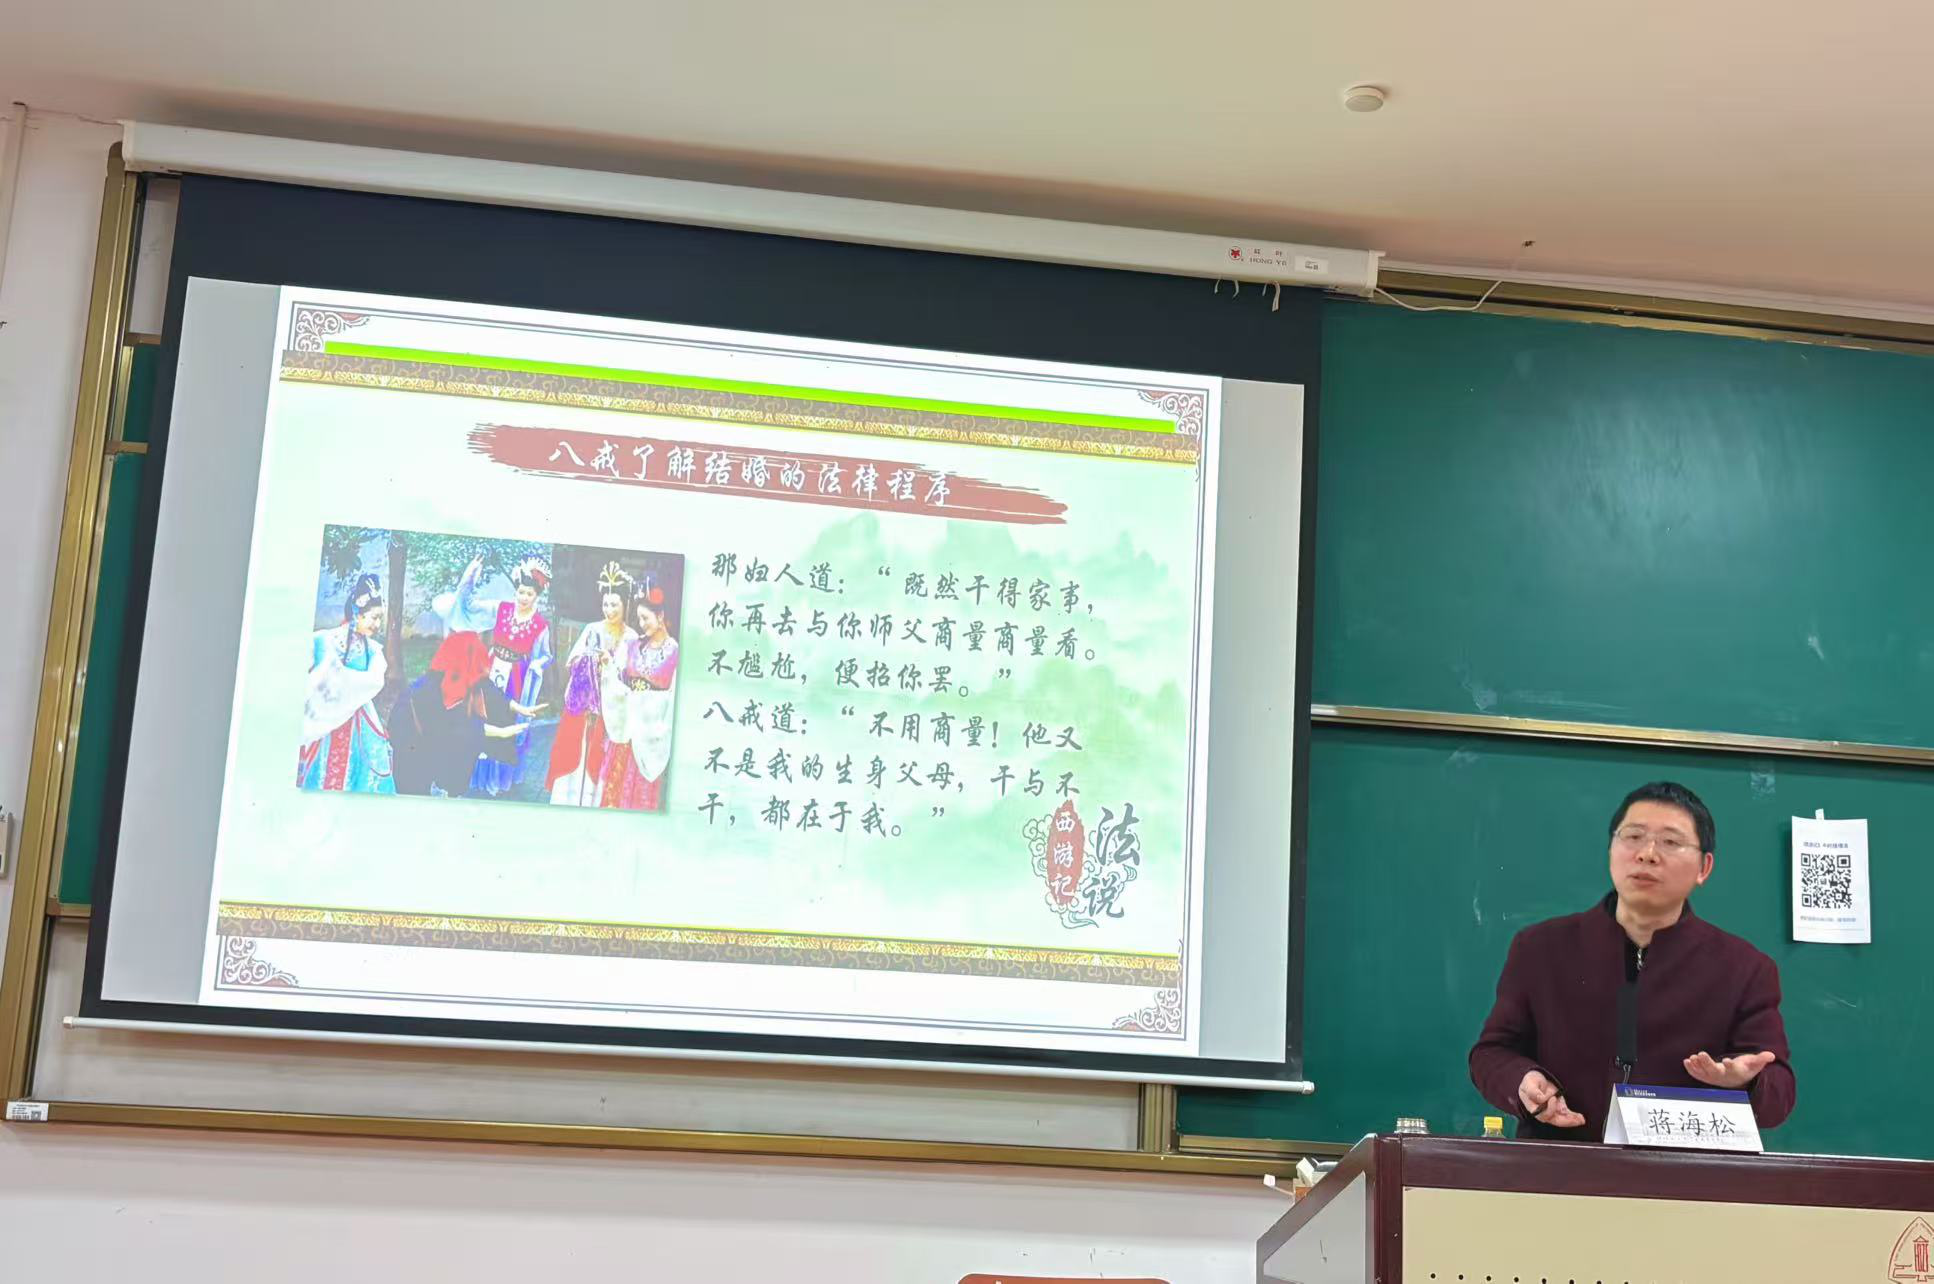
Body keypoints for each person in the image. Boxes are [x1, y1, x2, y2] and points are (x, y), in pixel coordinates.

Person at [1470, 781, 1796, 1140]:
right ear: (1611, 849)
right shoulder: (1540, 948)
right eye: (1633, 836)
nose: (1647, 854)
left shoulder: (1745, 969)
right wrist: (1522, 1081)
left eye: (1670, 842)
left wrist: (1746, 1081)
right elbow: (1492, 1053)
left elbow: (1779, 1093)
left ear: (1704, 867)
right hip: (1558, 1164)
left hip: (1682, 1169)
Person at [435, 554, 553, 795]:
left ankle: (499, 777)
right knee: (482, 715)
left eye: (529, 594)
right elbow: (469, 606)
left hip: (517, 677)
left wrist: (536, 666)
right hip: (491, 668)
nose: (524, 597)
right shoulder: (501, 609)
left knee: (506, 720)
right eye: (521, 592)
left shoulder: (540, 625)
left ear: (537, 596)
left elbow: (545, 655)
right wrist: (470, 577)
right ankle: (476, 773)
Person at [389, 631, 540, 797]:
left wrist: (519, 708)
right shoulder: (430, 690)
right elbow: (455, 727)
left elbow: (488, 691)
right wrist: (500, 732)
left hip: (436, 745)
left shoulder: (464, 673)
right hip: (412, 749)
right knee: (416, 794)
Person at [545, 562, 637, 806]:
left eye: (614, 605)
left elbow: (630, 675)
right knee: (575, 751)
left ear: (625, 604)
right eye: (606, 604)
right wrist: (589, 659)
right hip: (584, 706)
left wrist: (609, 664)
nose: (609, 610)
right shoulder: (591, 629)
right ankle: (568, 800)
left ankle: (592, 802)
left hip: (611, 709)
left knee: (599, 758)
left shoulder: (631, 637)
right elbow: (572, 660)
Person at [297, 572, 395, 794]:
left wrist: (344, 681)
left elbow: (374, 681)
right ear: (357, 613)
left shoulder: (373, 650)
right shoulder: (325, 640)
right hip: (326, 716)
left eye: (380, 618)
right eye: (373, 617)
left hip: (357, 718)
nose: (377, 624)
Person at [599, 578, 680, 812]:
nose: (642, 624)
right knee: (614, 791)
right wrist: (608, 666)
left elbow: (672, 696)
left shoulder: (675, 651)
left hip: (650, 733)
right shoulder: (633, 645)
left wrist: (655, 712)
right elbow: (619, 680)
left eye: (646, 618)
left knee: (639, 795)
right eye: (639, 618)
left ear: (660, 616)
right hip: (627, 728)